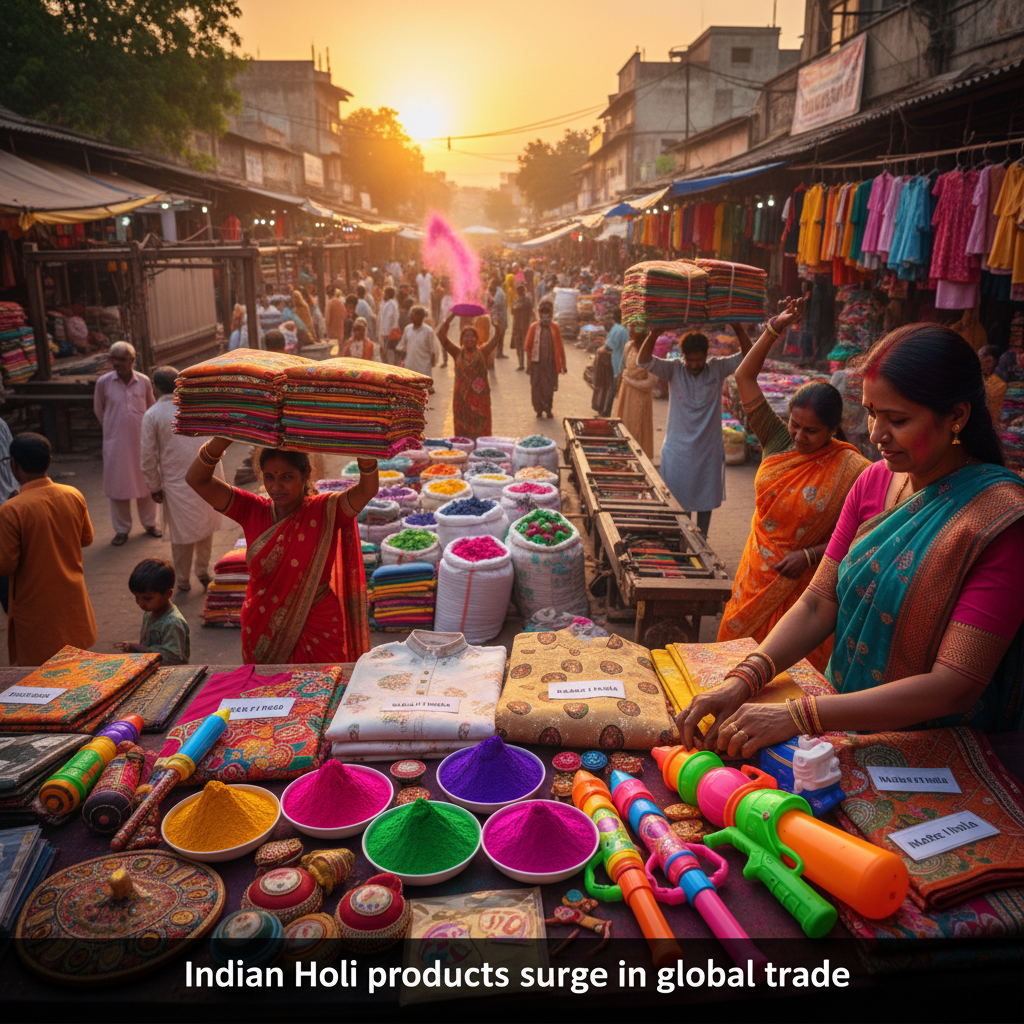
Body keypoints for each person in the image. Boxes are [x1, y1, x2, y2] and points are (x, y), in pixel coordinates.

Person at [679, 323, 1024, 757]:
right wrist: (744, 679)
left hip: (935, 751)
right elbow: (819, 602)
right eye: (872, 413)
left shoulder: (999, 521)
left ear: (956, 416)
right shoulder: (874, 481)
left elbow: (954, 685)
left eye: (898, 420)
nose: (876, 434)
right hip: (841, 721)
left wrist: (799, 715)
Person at [717, 303, 869, 671]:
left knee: (788, 676)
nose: (799, 436)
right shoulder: (776, 439)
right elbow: (744, 377)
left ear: (833, 429)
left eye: (811, 431)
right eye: (794, 425)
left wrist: (811, 555)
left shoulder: (852, 469)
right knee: (730, 662)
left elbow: (862, 536)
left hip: (805, 589)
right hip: (756, 575)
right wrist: (773, 328)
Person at [186, 443, 375, 664]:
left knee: (325, 684)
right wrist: (222, 439)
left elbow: (367, 490)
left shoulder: (326, 510)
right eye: (269, 477)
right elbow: (197, 480)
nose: (276, 487)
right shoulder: (251, 509)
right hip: (262, 625)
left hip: (316, 623)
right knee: (266, 685)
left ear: (306, 474)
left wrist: (365, 451)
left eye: (286, 477)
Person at [637, 326, 753, 537]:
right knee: (680, 502)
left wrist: (738, 328)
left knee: (705, 500)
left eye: (699, 360)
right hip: (678, 451)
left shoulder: (717, 368)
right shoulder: (674, 369)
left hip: (708, 450)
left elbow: (750, 355)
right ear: (683, 357)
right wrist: (654, 334)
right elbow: (643, 361)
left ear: (706, 355)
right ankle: (683, 540)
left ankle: (703, 539)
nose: (694, 364)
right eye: (690, 360)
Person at [0, 432, 97, 665]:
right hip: (72, 606)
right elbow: (86, 539)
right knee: (75, 668)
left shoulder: (11, 509)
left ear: (14, 465)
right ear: (49, 460)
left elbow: (6, 565)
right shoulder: (72, 494)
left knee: (41, 675)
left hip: (36, 612)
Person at [141, 366, 224, 592]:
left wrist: (154, 486)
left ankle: (183, 580)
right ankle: (202, 570)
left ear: (155, 388)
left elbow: (148, 456)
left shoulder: (153, 415)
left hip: (177, 482)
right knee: (205, 526)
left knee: (182, 533)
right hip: (207, 476)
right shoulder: (198, 405)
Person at [94, 341, 159, 545]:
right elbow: (99, 410)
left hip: (141, 442)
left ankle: (150, 524)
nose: (116, 363)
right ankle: (121, 530)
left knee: (147, 484)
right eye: (113, 359)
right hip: (116, 444)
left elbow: (151, 407)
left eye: (121, 359)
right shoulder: (103, 382)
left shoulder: (143, 381)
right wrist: (113, 429)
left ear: (132, 360)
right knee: (118, 488)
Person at [438, 311, 502, 438]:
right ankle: (465, 448)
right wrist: (451, 316)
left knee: (480, 429)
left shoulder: (483, 353)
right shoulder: (456, 353)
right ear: (461, 340)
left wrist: (496, 325)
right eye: (466, 336)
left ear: (477, 339)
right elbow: (441, 335)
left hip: (480, 400)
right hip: (461, 401)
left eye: (472, 336)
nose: (469, 339)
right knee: (463, 432)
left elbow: (496, 338)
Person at [115, 557, 190, 665]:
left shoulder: (173, 623)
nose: (140, 603)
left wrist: (141, 649)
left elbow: (174, 657)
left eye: (147, 598)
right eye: (136, 597)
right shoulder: (150, 612)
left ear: (168, 594)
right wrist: (133, 646)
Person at [613, 332, 658, 457]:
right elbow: (623, 367)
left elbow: (651, 382)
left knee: (636, 426)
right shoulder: (629, 346)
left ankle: (637, 458)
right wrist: (622, 382)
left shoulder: (649, 352)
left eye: (634, 327)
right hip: (626, 392)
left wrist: (630, 381)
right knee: (624, 424)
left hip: (640, 396)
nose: (630, 330)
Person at [523, 299, 567, 419]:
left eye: (548, 312)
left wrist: (563, 364)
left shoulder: (555, 328)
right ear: (539, 313)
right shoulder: (533, 327)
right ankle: (538, 409)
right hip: (537, 365)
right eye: (543, 312)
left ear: (551, 313)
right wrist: (529, 364)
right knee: (536, 387)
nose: (545, 315)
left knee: (549, 388)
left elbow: (560, 347)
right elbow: (528, 347)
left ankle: (548, 409)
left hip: (550, 365)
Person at [398, 306, 439, 383]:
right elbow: (401, 346)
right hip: (410, 366)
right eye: (411, 315)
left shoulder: (428, 331)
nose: (411, 317)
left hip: (423, 368)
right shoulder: (407, 329)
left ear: (421, 317)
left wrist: (432, 363)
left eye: (414, 315)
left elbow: (433, 349)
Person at [979, 344, 1007, 424]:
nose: (982, 366)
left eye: (987, 361)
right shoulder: (974, 379)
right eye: (980, 360)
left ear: (996, 361)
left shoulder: (1000, 385)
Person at [510, 284, 534, 371]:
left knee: (523, 346)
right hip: (521, 327)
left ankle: (524, 364)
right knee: (522, 346)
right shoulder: (524, 301)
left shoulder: (523, 301)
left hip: (522, 327)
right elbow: (512, 311)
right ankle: (524, 364)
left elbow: (513, 311)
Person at [378, 286, 400, 364]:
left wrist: (388, 331)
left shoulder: (391, 304)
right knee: (385, 352)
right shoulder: (386, 303)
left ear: (387, 294)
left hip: (388, 333)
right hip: (385, 332)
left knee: (388, 353)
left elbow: (390, 319)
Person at [488, 277, 508, 359]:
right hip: (500, 316)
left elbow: (495, 303)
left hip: (499, 316)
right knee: (500, 335)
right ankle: (498, 353)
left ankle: (499, 353)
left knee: (499, 335)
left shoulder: (498, 292)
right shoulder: (500, 292)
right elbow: (496, 304)